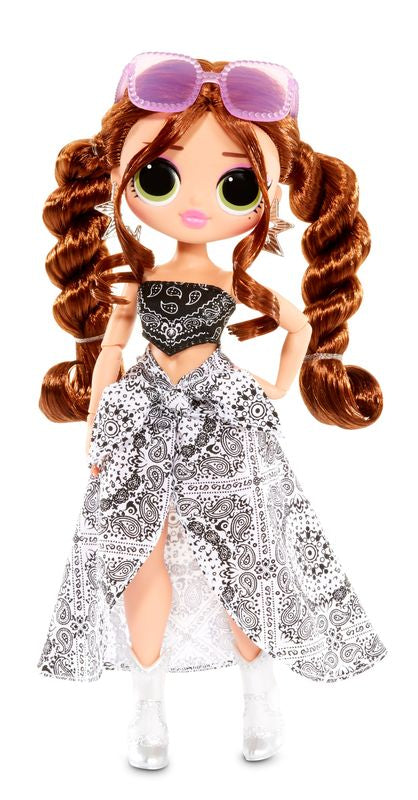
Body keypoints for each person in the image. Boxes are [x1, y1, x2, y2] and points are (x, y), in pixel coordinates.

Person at [37, 51, 388, 770]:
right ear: (122, 177)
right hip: (141, 414)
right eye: (159, 178)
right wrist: (98, 421)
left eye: (235, 184)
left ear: (268, 193)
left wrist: (279, 386)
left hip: (220, 415)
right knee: (139, 555)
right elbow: (110, 351)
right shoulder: (137, 280)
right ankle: (147, 707)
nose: (195, 204)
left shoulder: (232, 279)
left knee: (243, 553)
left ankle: (260, 695)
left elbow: (299, 323)